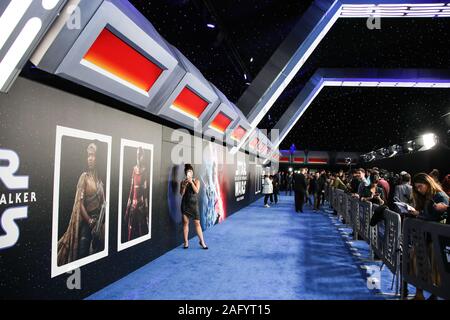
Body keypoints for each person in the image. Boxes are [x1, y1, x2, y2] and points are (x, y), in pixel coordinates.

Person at [57, 142, 106, 265]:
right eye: (88, 155)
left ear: (97, 158)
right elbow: (79, 204)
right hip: (87, 222)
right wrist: (90, 221)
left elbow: (103, 204)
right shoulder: (84, 178)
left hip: (99, 223)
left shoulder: (100, 182)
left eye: (93, 155)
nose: (90, 158)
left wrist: (100, 222)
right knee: (83, 252)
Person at [408, 173, 449, 300]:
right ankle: (419, 293)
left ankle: (434, 294)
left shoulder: (440, 196)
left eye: (420, 186)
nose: (419, 190)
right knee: (416, 263)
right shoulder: (425, 197)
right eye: (417, 188)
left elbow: (435, 217)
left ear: (428, 183)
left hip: (436, 240)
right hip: (424, 237)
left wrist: (418, 214)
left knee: (435, 268)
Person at [180, 164, 208, 250]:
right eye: (188, 172)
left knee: (197, 223)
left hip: (194, 205)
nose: (189, 173)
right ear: (186, 173)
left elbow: (196, 191)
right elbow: (181, 193)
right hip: (185, 205)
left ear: (192, 173)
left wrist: (191, 182)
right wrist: (184, 185)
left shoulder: (197, 181)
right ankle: (186, 242)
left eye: (191, 172)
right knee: (185, 223)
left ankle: (202, 242)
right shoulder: (182, 182)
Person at [124, 147, 149, 242]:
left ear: (143, 156)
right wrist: (127, 208)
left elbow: (145, 192)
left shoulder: (145, 171)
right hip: (133, 206)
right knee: (130, 229)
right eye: (137, 154)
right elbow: (131, 189)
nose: (138, 156)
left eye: (140, 154)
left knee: (141, 229)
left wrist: (146, 210)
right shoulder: (134, 170)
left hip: (141, 206)